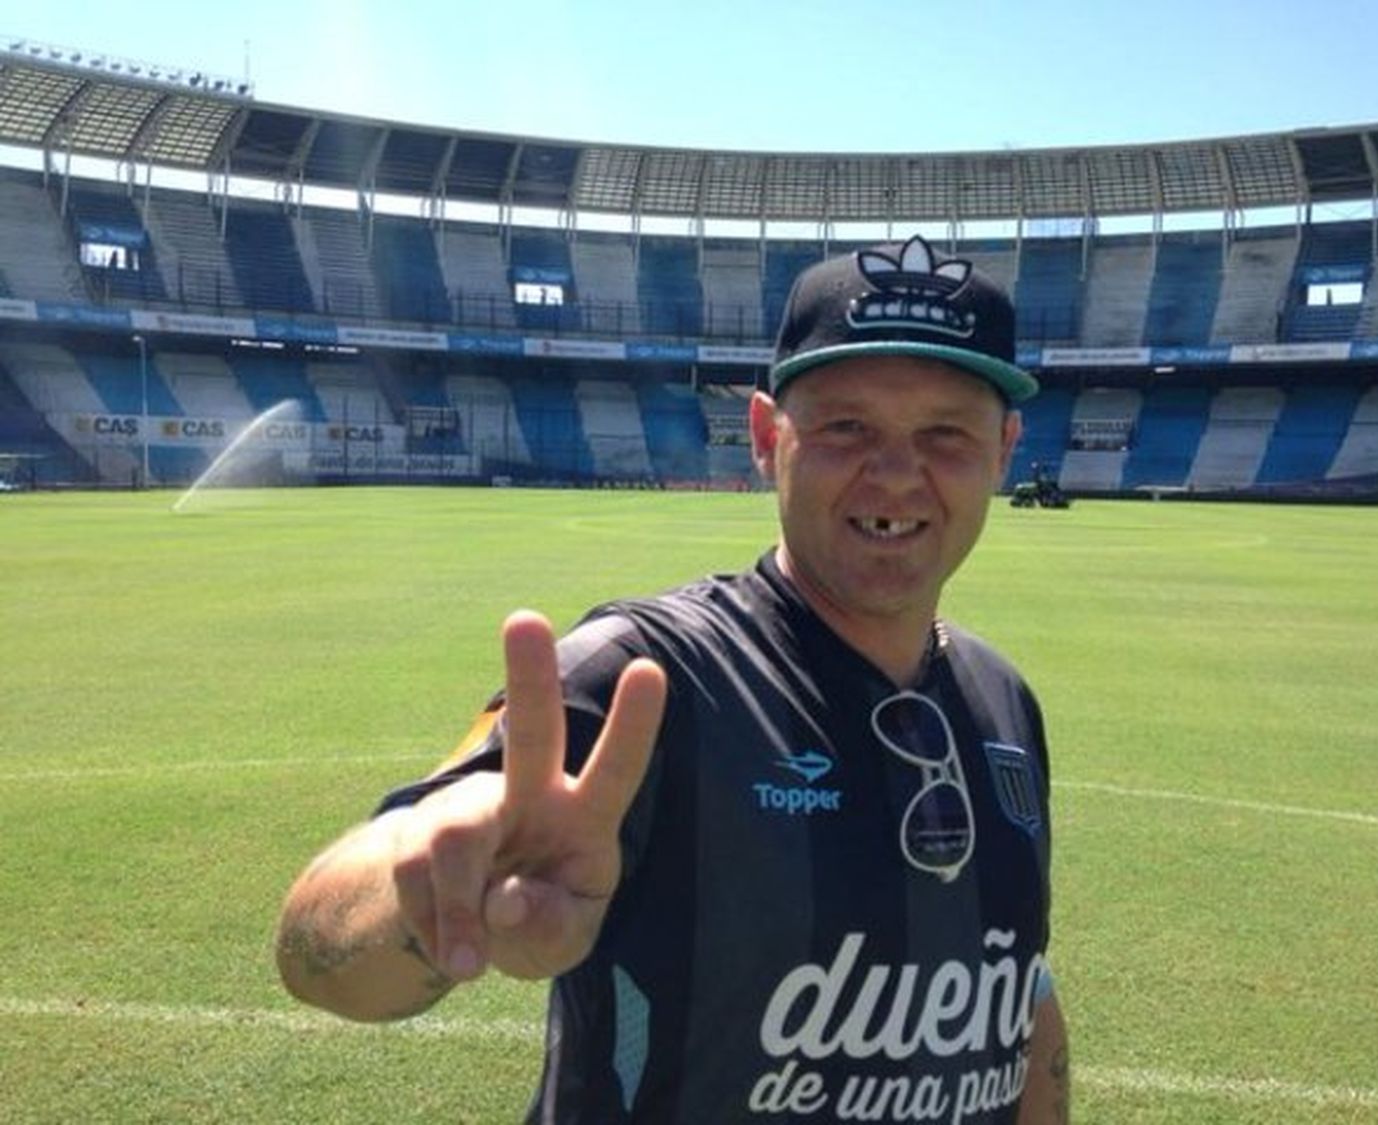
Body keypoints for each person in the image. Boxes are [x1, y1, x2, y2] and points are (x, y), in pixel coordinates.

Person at [277, 234, 1069, 1124]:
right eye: (847, 426)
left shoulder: (1003, 701)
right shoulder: (646, 674)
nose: (895, 472)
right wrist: (425, 893)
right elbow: (316, 951)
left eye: (945, 434)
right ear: (769, 437)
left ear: (1004, 450)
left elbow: (1021, 994)